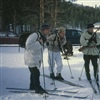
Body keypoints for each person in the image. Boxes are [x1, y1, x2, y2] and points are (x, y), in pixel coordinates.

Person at [24, 24, 50, 94]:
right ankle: (37, 88)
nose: (48, 31)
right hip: (31, 58)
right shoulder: (35, 35)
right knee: (36, 73)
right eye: (47, 30)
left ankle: (32, 86)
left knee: (34, 73)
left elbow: (41, 47)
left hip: (36, 58)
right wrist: (39, 42)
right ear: (43, 30)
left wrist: (46, 44)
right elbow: (28, 46)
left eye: (49, 30)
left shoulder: (42, 36)